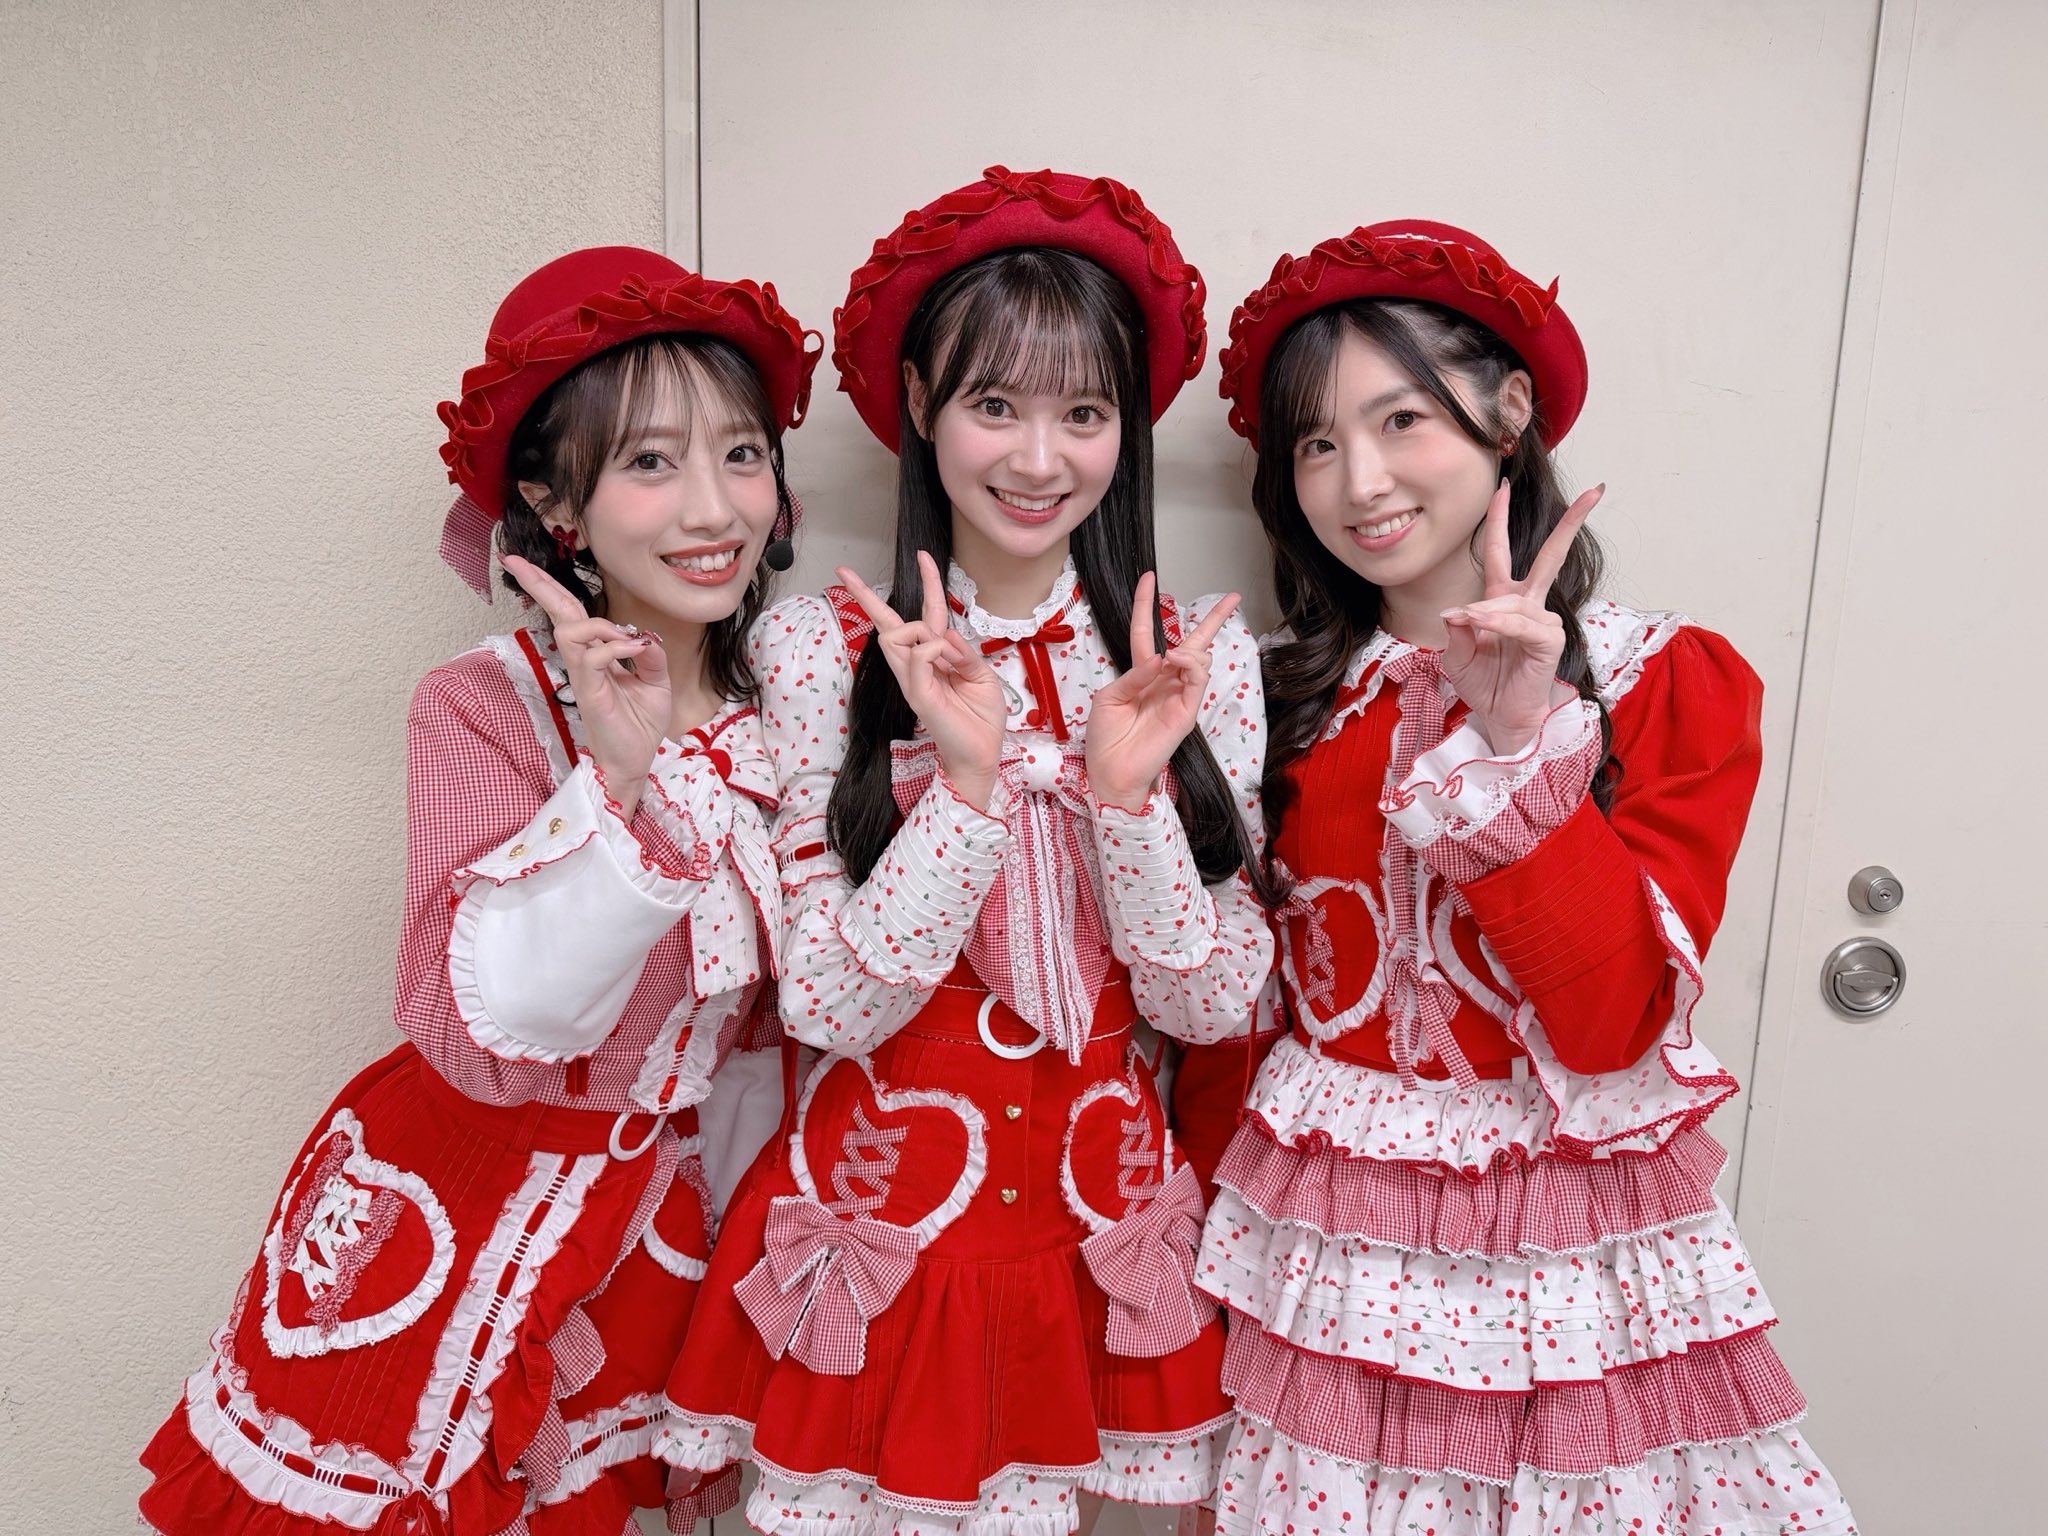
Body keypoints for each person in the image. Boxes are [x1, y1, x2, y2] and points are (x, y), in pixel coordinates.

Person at [139, 245, 818, 1535]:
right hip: (464, 1199)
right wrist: (616, 784)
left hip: (659, 1229)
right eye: (650, 462)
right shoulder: (484, 707)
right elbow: (484, 1037)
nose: (713, 508)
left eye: (742, 454)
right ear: (557, 506)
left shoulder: (796, 711)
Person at [1192, 220, 1857, 1535]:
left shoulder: (1659, 679)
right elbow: (1238, 1028)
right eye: (1315, 443)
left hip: (1564, 1270)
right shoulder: (1264, 695)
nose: (1358, 481)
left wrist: (1514, 746)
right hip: (1318, 1267)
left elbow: (1614, 1027)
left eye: (1401, 421)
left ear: (1507, 414)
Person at [660, 167, 1274, 1534]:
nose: (1039, 460)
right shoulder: (820, 647)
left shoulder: (1192, 663)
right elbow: (828, 1006)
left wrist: (1128, 805)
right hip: (886, 1247)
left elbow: (1211, 1006)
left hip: (1095, 1247)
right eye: (995, 404)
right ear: (921, 404)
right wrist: (969, 789)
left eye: (1084, 414)